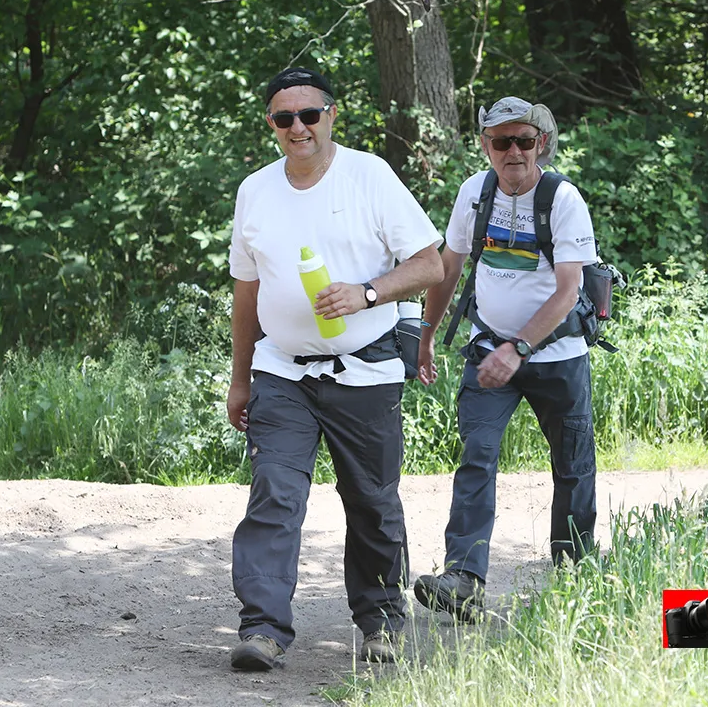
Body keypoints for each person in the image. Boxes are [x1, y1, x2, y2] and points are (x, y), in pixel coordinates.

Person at [225, 67, 444, 670]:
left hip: (366, 371)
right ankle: (263, 630)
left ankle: (380, 622)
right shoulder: (256, 190)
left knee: (372, 501)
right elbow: (247, 293)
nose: (298, 127)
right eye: (283, 118)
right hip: (281, 373)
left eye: (309, 115)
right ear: (271, 125)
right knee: (274, 492)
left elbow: (429, 265)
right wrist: (240, 377)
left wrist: (367, 294)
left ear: (331, 115)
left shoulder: (369, 175)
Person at [412, 97, 598, 622]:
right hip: (487, 347)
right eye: (501, 141)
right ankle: (464, 579)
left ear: (541, 142)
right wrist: (426, 333)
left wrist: (519, 349)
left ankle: (574, 578)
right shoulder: (476, 192)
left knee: (573, 467)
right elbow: (449, 266)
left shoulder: (562, 198)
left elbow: (567, 291)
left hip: (557, 356)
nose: (513, 151)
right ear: (485, 146)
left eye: (524, 140)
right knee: (477, 455)